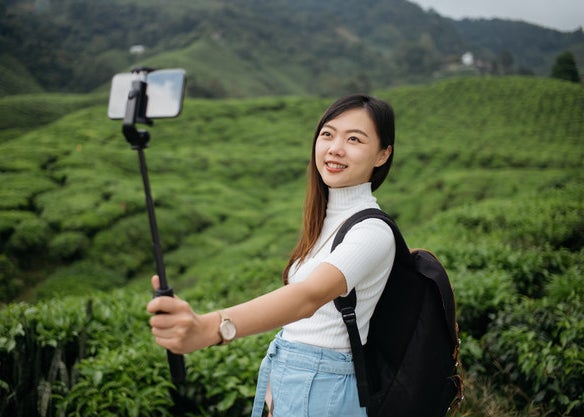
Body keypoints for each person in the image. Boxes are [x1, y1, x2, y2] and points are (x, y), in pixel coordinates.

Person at [147, 93, 397, 416]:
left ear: (382, 155)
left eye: (354, 139)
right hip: (295, 380)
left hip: (324, 391)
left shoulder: (373, 232)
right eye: (327, 134)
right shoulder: (326, 220)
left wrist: (209, 328)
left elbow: (308, 297)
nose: (335, 148)